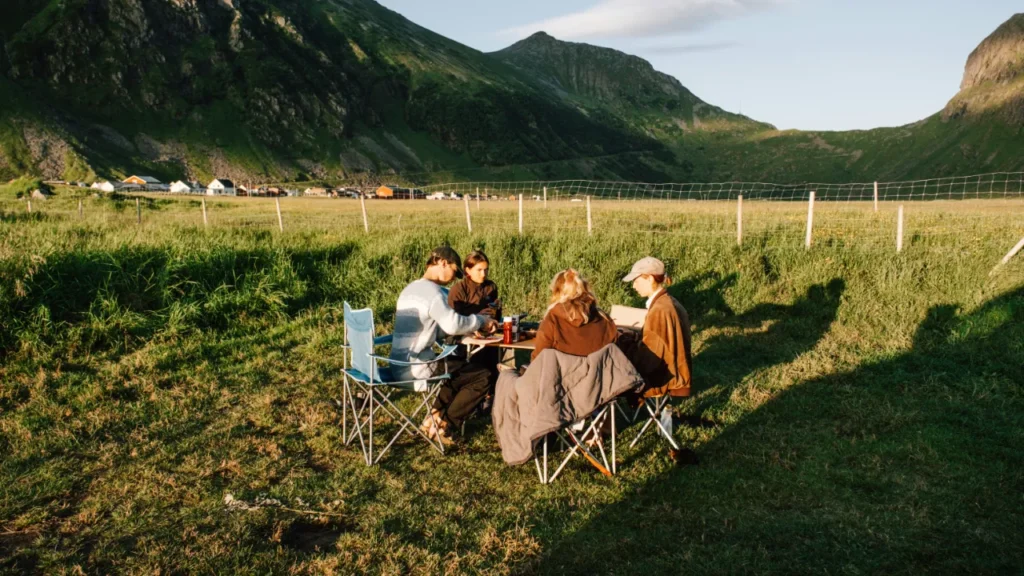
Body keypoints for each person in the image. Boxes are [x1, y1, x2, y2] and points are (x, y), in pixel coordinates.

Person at [390, 246, 499, 445]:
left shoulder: (411, 289)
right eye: (454, 271)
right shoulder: (433, 293)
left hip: (397, 364)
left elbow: (437, 327)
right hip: (417, 368)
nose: (455, 277)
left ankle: (434, 418)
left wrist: (466, 329)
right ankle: (447, 425)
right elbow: (452, 324)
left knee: (458, 367)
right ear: (442, 263)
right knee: (483, 375)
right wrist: (480, 321)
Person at [621, 256, 693, 402]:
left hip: (665, 378)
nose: (634, 286)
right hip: (676, 372)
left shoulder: (659, 311)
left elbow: (649, 359)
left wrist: (625, 348)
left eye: (636, 281)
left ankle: (605, 423)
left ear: (650, 279)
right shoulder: (669, 301)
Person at [448, 250, 502, 407]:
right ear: (467, 270)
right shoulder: (459, 290)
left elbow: (496, 313)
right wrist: (477, 315)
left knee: (498, 350)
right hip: (463, 334)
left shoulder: (491, 287)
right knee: (481, 354)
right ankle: (477, 395)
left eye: (486, 269)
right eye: (479, 270)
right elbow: (453, 319)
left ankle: (491, 394)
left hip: (487, 331)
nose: (483, 274)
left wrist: (494, 316)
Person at [531, 269, 617, 362]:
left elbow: (538, 360)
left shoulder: (552, 319)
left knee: (513, 372)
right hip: (597, 375)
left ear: (557, 292)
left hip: (561, 376)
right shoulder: (604, 319)